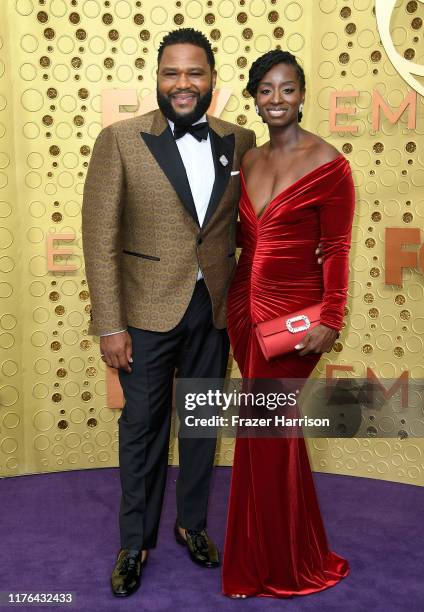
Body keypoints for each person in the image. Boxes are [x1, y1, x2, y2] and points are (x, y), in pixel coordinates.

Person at [82, 28, 256, 597]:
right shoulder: (121, 140)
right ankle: (135, 543)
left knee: (202, 428)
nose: (183, 84)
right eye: (172, 73)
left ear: (212, 79)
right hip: (145, 314)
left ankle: (193, 525)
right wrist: (110, 323)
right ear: (158, 78)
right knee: (143, 432)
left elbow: (249, 229)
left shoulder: (240, 140)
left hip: (213, 314)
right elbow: (99, 239)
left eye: (194, 73)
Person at [222, 50, 355, 598]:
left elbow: (338, 247)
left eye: (288, 89)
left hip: (297, 318)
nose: (277, 100)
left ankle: (281, 565)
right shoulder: (247, 160)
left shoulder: (330, 163)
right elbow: (235, 236)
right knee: (268, 436)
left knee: (267, 433)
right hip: (242, 310)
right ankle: (279, 549)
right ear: (255, 96)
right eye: (266, 90)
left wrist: (332, 316)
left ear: (303, 95)